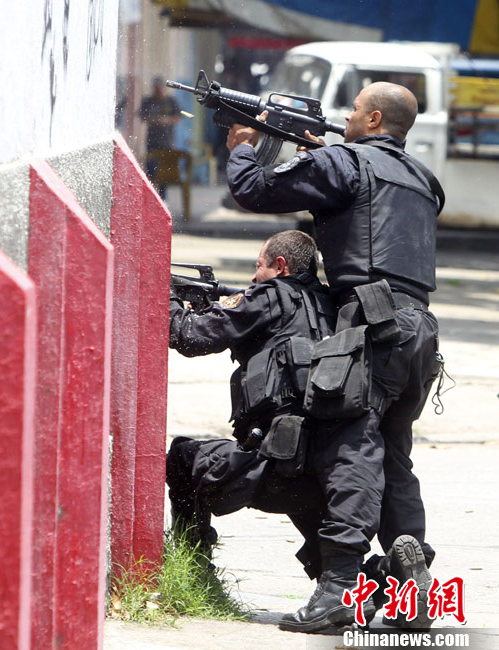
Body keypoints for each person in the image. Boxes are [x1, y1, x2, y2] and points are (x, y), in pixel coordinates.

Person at [225, 82, 444, 632]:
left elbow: (253, 190)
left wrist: (245, 145)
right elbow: (370, 214)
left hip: (372, 326)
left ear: (372, 118)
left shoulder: (347, 162)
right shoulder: (421, 179)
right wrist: (312, 155)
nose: (344, 119)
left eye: (351, 111)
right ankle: (407, 586)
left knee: (354, 450)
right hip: (419, 332)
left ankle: (340, 588)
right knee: (393, 453)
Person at [167, 231, 337, 586]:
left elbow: (189, 336)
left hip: (273, 469)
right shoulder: (327, 303)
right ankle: (374, 582)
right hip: (325, 471)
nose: (252, 278)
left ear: (280, 265)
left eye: (258, 267)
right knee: (334, 561)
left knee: (182, 458)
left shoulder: (268, 297)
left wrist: (166, 299)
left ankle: (193, 572)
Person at [138, 76, 181, 198]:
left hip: (167, 142)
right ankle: (150, 196)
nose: (158, 92)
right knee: (151, 169)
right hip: (152, 141)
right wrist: (154, 120)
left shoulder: (171, 101)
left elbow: (178, 117)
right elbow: (142, 116)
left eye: (160, 89)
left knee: (164, 173)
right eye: (156, 89)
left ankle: (163, 197)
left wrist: (166, 120)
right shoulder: (148, 101)